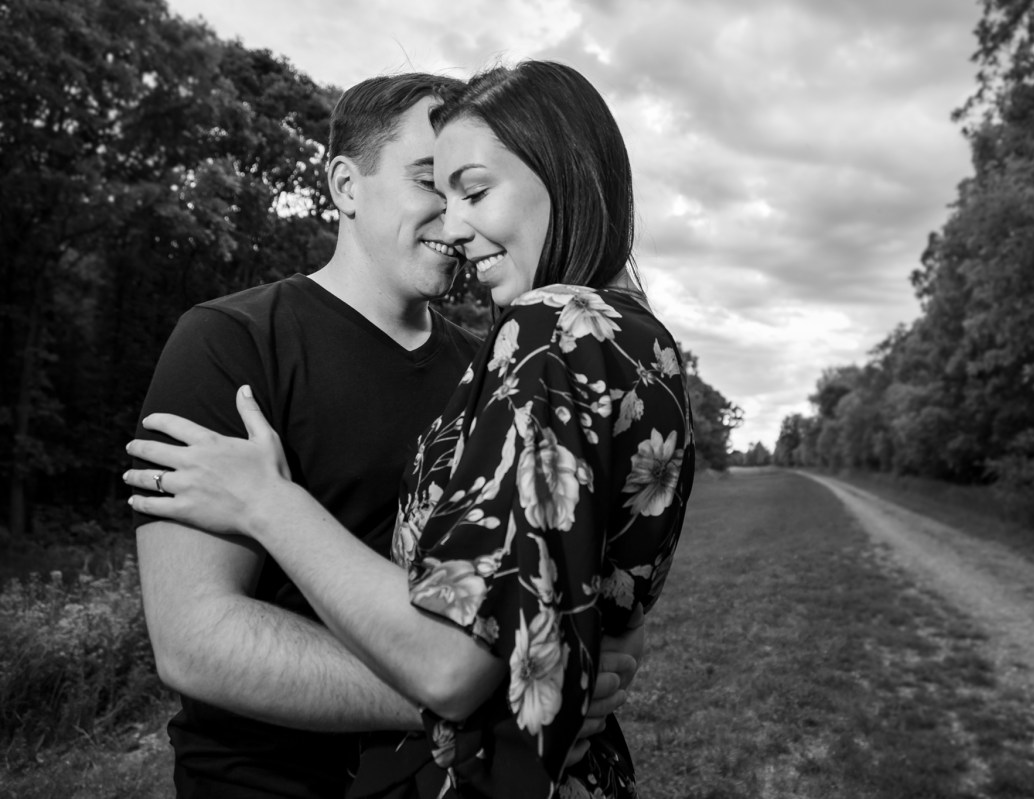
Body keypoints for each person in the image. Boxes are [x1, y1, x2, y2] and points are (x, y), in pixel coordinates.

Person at [127, 61, 695, 798]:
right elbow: (193, 640)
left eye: (470, 189)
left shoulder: (502, 360)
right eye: (431, 181)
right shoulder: (229, 343)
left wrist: (550, 671)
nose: (454, 222)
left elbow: (590, 581)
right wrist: (509, 697)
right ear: (344, 185)